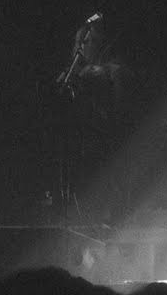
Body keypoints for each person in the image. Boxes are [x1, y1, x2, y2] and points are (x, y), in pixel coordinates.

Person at [53, 15, 133, 222]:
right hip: (79, 139)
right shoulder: (74, 72)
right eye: (79, 42)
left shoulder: (113, 70)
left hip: (104, 140)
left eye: (88, 42)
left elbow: (120, 108)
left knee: (106, 182)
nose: (82, 47)